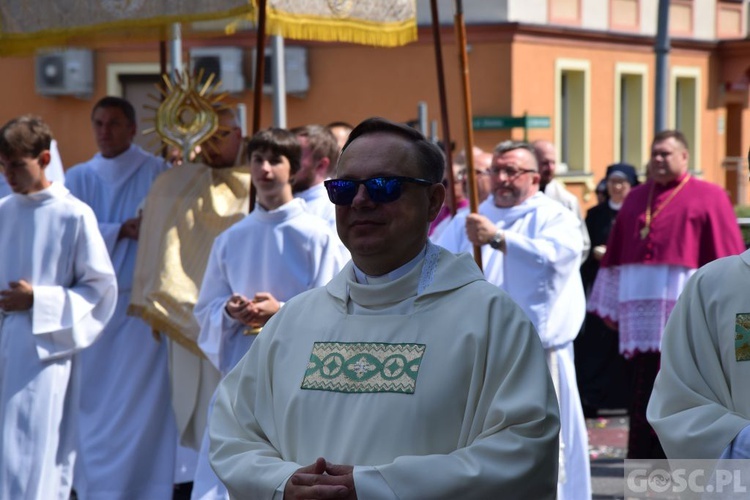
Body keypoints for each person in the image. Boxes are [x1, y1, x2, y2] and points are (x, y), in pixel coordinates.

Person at [209, 117, 560, 499]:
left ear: (433, 202)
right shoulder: (294, 320)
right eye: (345, 189)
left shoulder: (491, 321)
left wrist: (381, 488)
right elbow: (233, 431)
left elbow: (524, 449)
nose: (361, 200)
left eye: (384, 185)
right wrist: (281, 484)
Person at [191, 128, 346, 499]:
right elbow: (206, 307)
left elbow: (337, 303)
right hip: (241, 365)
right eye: (257, 159)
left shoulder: (317, 235)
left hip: (296, 369)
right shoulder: (231, 238)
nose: (264, 168)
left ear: (292, 169)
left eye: (275, 160)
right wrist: (229, 310)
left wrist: (282, 310)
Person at [438, 140, 591, 500]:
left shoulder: (555, 217)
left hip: (540, 353)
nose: (502, 178)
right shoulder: (468, 218)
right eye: (496, 170)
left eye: (513, 171)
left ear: (535, 178)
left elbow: (557, 259)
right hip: (476, 354)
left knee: (548, 443)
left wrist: (499, 239)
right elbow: (435, 264)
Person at [588, 129, 746, 459]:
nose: (658, 159)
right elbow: (618, 254)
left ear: (685, 157)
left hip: (701, 317)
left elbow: (728, 261)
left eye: (666, 153)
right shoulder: (636, 197)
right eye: (654, 153)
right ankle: (647, 483)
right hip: (645, 324)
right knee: (646, 399)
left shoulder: (708, 195)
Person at [128, 105, 250, 490]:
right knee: (195, 416)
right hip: (185, 311)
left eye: (222, 135)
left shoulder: (255, 186)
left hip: (240, 320)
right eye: (207, 137)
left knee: (239, 418)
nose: (213, 146)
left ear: (240, 136)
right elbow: (157, 243)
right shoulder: (173, 183)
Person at [65, 96, 177, 499]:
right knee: (91, 408)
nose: (104, 131)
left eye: (113, 123)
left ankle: (143, 487)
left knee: (141, 411)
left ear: (132, 129)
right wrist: (119, 230)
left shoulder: (159, 173)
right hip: (93, 310)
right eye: (98, 122)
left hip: (139, 311)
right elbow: (69, 238)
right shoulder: (76, 178)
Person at [0, 115, 117, 499]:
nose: (9, 176)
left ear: (45, 158)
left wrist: (38, 299)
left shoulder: (74, 214)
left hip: (43, 349)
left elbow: (100, 289)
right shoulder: (3, 210)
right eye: (3, 166)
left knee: (33, 449)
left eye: (17, 165)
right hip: (4, 340)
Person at [575, 163, 638, 417]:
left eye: (623, 182)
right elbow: (584, 246)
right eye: (613, 181)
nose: (618, 187)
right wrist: (595, 254)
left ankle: (627, 398)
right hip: (599, 287)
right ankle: (594, 397)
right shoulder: (596, 214)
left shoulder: (637, 212)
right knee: (597, 343)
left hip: (629, 286)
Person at [532, 140, 591, 261]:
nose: (550, 168)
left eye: (553, 162)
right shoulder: (517, 197)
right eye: (544, 163)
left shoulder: (566, 201)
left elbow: (582, 244)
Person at [290, 124, 339, 230]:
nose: (287, 163)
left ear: (321, 165)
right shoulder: (276, 200)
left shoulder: (334, 209)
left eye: (295, 156)